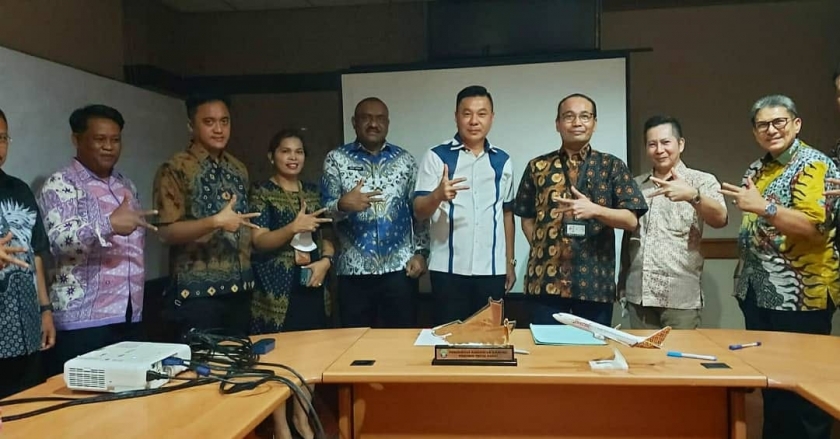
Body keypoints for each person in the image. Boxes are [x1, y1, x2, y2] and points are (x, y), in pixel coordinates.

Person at [720, 94, 838, 439]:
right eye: (762, 125)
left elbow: (816, 230)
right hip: (759, 293)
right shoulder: (758, 168)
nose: (771, 130)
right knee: (772, 388)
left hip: (801, 296)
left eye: (779, 122)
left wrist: (765, 208)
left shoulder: (814, 165)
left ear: (796, 124)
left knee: (803, 395)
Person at [38, 105, 154, 377]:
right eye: (100, 140)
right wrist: (108, 225)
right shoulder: (61, 183)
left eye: (115, 140)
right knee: (84, 410)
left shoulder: (127, 184)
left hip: (128, 315)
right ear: (76, 139)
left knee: (128, 401)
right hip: (83, 323)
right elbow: (58, 241)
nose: (109, 147)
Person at [513, 93, 647, 327]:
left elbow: (630, 220)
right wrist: (543, 246)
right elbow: (526, 215)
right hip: (546, 283)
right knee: (546, 356)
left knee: (591, 355)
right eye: (569, 117)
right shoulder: (538, 166)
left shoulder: (612, 166)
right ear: (558, 124)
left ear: (594, 123)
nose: (577, 123)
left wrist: (595, 210)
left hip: (595, 283)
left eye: (585, 117)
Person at [153, 93, 259, 338]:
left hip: (240, 289)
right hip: (197, 294)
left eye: (225, 121)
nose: (219, 129)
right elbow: (165, 232)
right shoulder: (175, 167)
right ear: (191, 125)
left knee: (239, 368)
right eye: (209, 122)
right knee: (202, 371)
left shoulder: (238, 168)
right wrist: (214, 222)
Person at [321, 97, 428, 328]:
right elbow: (322, 214)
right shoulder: (336, 159)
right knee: (356, 348)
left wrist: (421, 253)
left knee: (401, 345)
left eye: (380, 118)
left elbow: (419, 213)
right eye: (366, 118)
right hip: (353, 272)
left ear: (387, 123)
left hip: (400, 270)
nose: (373, 124)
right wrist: (341, 205)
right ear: (354, 122)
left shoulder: (405, 161)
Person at [414, 85, 515, 326]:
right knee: (448, 343)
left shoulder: (503, 160)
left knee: (490, 342)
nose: (474, 121)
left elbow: (506, 214)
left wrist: (509, 262)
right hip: (447, 270)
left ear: (492, 117)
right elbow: (419, 210)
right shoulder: (437, 156)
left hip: (491, 270)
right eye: (467, 113)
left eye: (481, 113)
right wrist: (437, 195)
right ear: (456, 116)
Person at [618, 116, 727, 330]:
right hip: (639, 295)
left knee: (680, 361)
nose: (659, 150)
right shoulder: (636, 185)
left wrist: (693, 196)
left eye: (666, 142)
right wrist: (622, 281)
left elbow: (720, 218)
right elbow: (628, 237)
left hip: (680, 297)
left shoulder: (701, 181)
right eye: (652, 144)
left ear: (681, 144)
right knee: (643, 361)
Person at [250, 129, 335, 333]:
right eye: (285, 151)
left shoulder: (313, 192)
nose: (293, 157)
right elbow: (259, 241)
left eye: (299, 152)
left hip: (314, 281)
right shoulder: (262, 192)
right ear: (272, 156)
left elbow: (328, 236)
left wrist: (326, 261)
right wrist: (292, 228)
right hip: (277, 289)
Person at [0, 108, 55, 398]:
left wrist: (45, 311)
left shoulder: (19, 190)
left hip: (26, 332)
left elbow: (35, 255)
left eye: (2, 138)